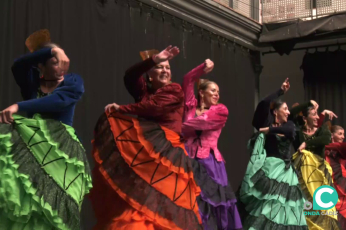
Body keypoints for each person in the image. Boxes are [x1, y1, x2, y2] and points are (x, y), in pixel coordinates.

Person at [90, 46, 229, 230]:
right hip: (147, 155)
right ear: (150, 75)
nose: (165, 70)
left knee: (164, 206)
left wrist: (121, 109)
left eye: (168, 68)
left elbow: (154, 107)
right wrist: (154, 59)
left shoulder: (174, 90)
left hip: (169, 155)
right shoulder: (144, 92)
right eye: (160, 67)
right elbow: (129, 76)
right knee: (140, 204)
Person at [0, 29, 92, 230]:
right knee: (26, 202)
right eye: (55, 62)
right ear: (40, 66)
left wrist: (20, 106)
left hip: (61, 153)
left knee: (55, 208)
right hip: (30, 147)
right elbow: (18, 66)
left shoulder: (73, 82)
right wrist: (51, 52)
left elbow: (58, 102)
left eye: (62, 61)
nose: (61, 66)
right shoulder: (32, 83)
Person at [237, 79, 308, 230]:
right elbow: (264, 103)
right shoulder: (265, 121)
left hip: (286, 173)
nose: (288, 112)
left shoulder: (288, 125)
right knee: (267, 207)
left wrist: (269, 131)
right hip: (269, 170)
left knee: (285, 210)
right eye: (285, 109)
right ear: (275, 111)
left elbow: (290, 131)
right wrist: (280, 91)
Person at [181, 59, 242, 229]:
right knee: (191, 201)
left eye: (218, 92)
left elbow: (203, 123)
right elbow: (187, 79)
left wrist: (179, 128)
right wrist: (201, 68)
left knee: (213, 203)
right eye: (213, 90)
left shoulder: (220, 110)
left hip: (210, 162)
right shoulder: (190, 106)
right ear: (201, 93)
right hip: (187, 159)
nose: (217, 94)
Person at [291, 100, 340, 229]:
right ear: (305, 118)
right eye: (313, 114)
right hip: (303, 178)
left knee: (323, 210)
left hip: (320, 176)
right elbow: (290, 115)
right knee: (306, 209)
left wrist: (307, 144)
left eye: (317, 114)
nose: (317, 117)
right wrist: (307, 104)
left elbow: (325, 139)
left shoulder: (321, 130)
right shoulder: (298, 132)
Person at [325, 125, 346, 229]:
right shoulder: (325, 151)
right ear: (332, 135)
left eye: (343, 134)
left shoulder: (341, 149)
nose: (343, 137)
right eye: (340, 134)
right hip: (329, 180)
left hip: (341, 180)